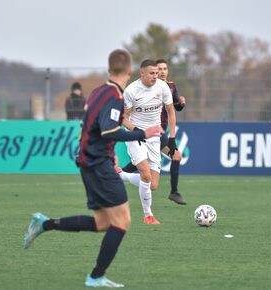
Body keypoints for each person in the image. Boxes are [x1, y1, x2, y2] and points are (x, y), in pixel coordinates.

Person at [23, 49, 163, 288]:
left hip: (91, 162)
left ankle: (44, 224)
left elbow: (87, 127)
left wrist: (104, 154)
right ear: (129, 72)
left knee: (102, 223)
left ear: (109, 70)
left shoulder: (98, 91)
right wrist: (142, 133)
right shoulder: (115, 97)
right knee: (122, 221)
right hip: (98, 165)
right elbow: (108, 129)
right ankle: (96, 276)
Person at [121, 59, 187, 205]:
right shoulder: (132, 90)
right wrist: (135, 130)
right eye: (155, 71)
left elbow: (173, 110)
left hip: (157, 134)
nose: (158, 74)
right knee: (146, 169)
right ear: (142, 73)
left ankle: (119, 175)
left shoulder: (167, 87)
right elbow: (123, 118)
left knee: (152, 184)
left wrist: (172, 138)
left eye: (162, 70)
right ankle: (173, 192)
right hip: (137, 134)